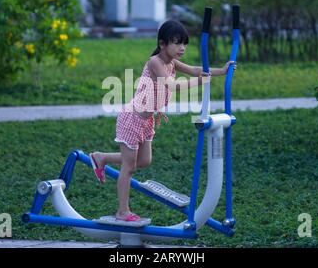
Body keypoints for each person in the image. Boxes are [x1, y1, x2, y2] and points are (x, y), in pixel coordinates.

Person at [89, 20, 237, 222]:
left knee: (144, 161)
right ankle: (122, 211)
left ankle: (102, 157)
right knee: (129, 167)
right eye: (176, 43)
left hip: (146, 122)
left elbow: (195, 69)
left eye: (184, 43)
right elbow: (172, 86)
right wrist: (202, 81)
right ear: (162, 44)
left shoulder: (172, 62)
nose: (182, 48)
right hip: (131, 119)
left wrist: (220, 71)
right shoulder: (155, 63)